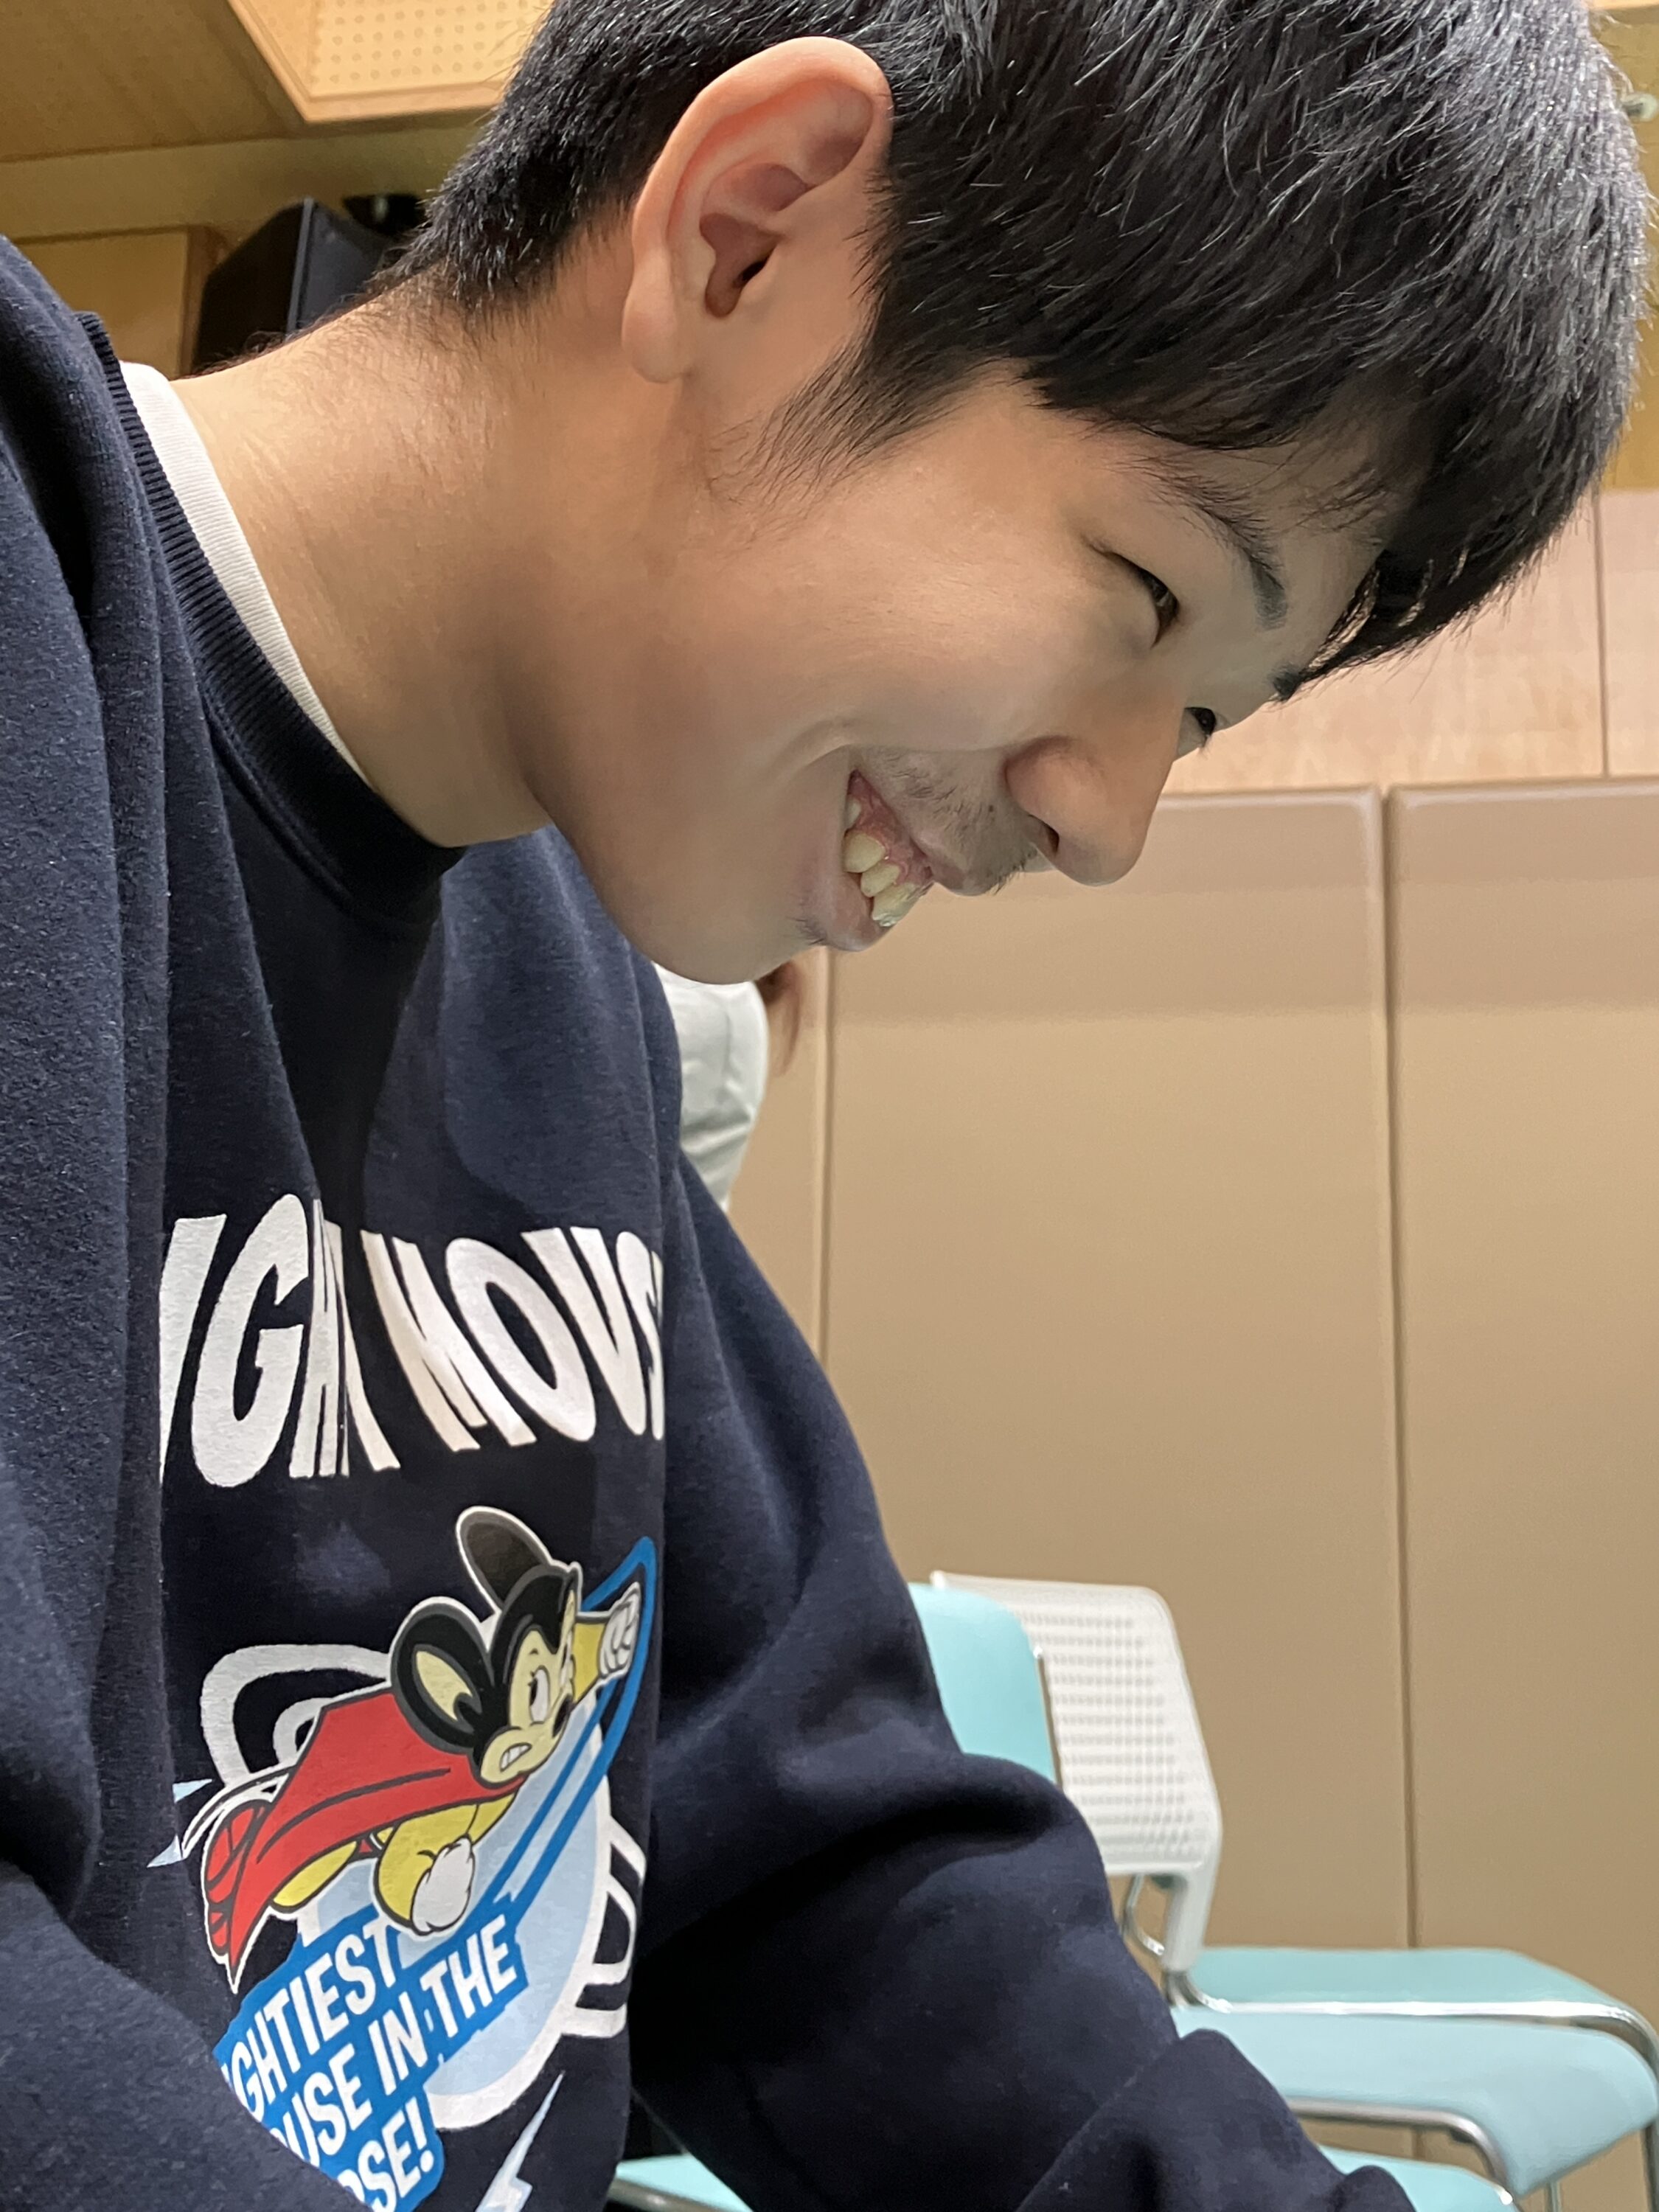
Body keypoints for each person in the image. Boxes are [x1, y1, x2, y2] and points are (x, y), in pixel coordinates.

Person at [0, 0, 1642, 2206]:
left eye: (1200, 717)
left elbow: (832, 1868)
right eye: (1150, 592)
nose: (1106, 821)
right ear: (752, 231)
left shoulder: (556, 963)